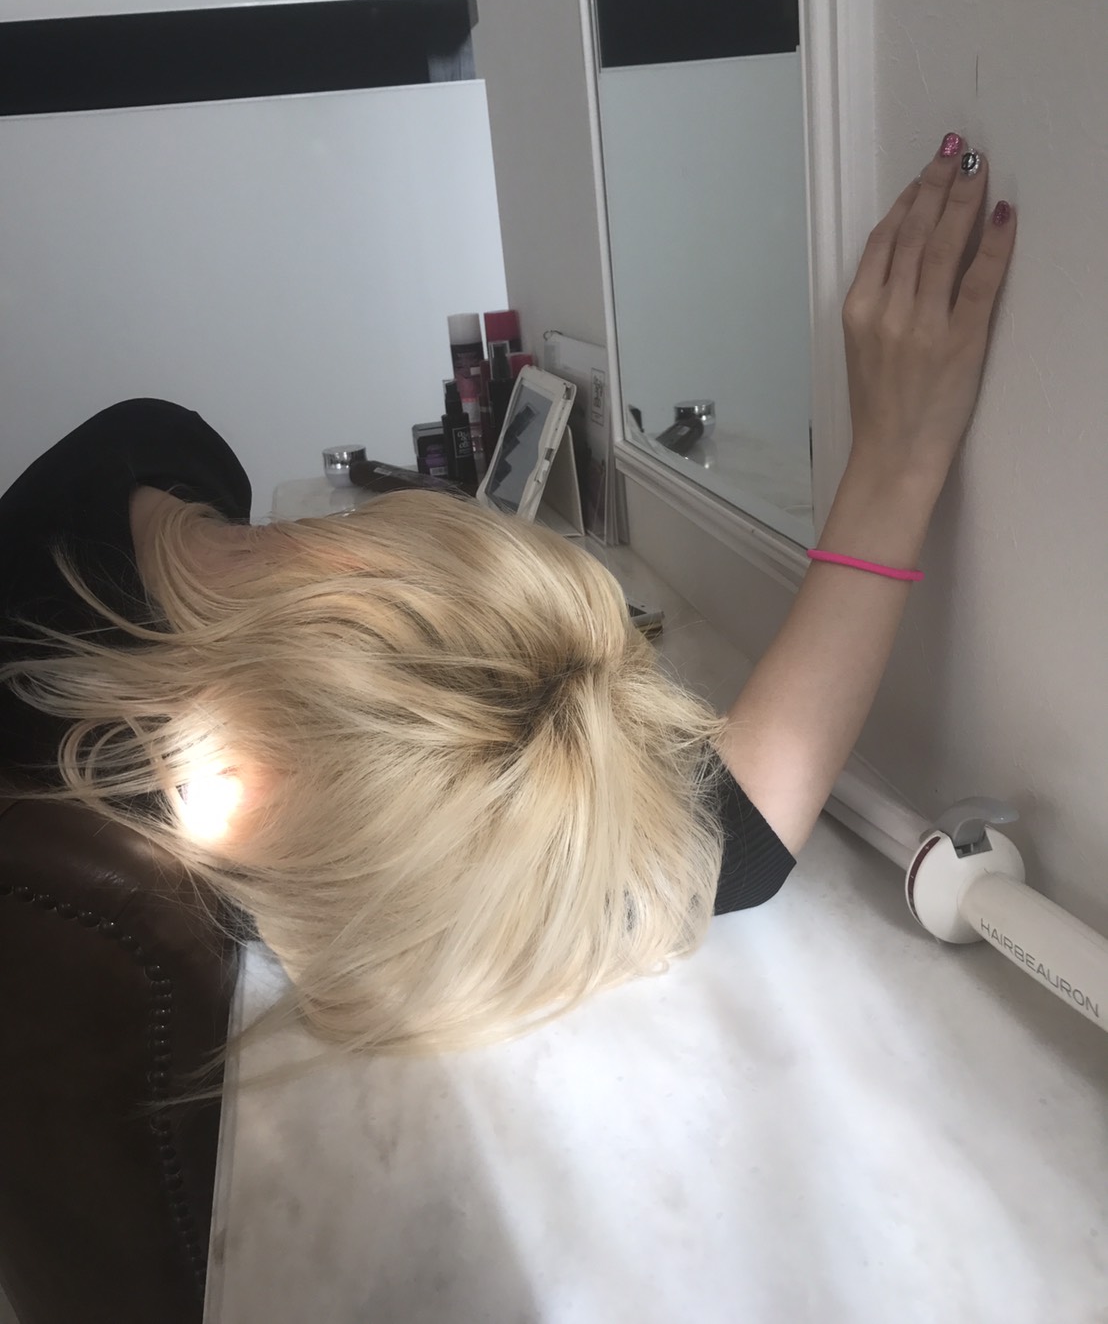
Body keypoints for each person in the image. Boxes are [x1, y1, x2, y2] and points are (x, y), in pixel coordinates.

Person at [0, 131, 1015, 1056]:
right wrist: (896, 469)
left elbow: (722, 845)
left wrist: (895, 464)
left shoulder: (155, 465)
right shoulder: (195, 733)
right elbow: (723, 852)